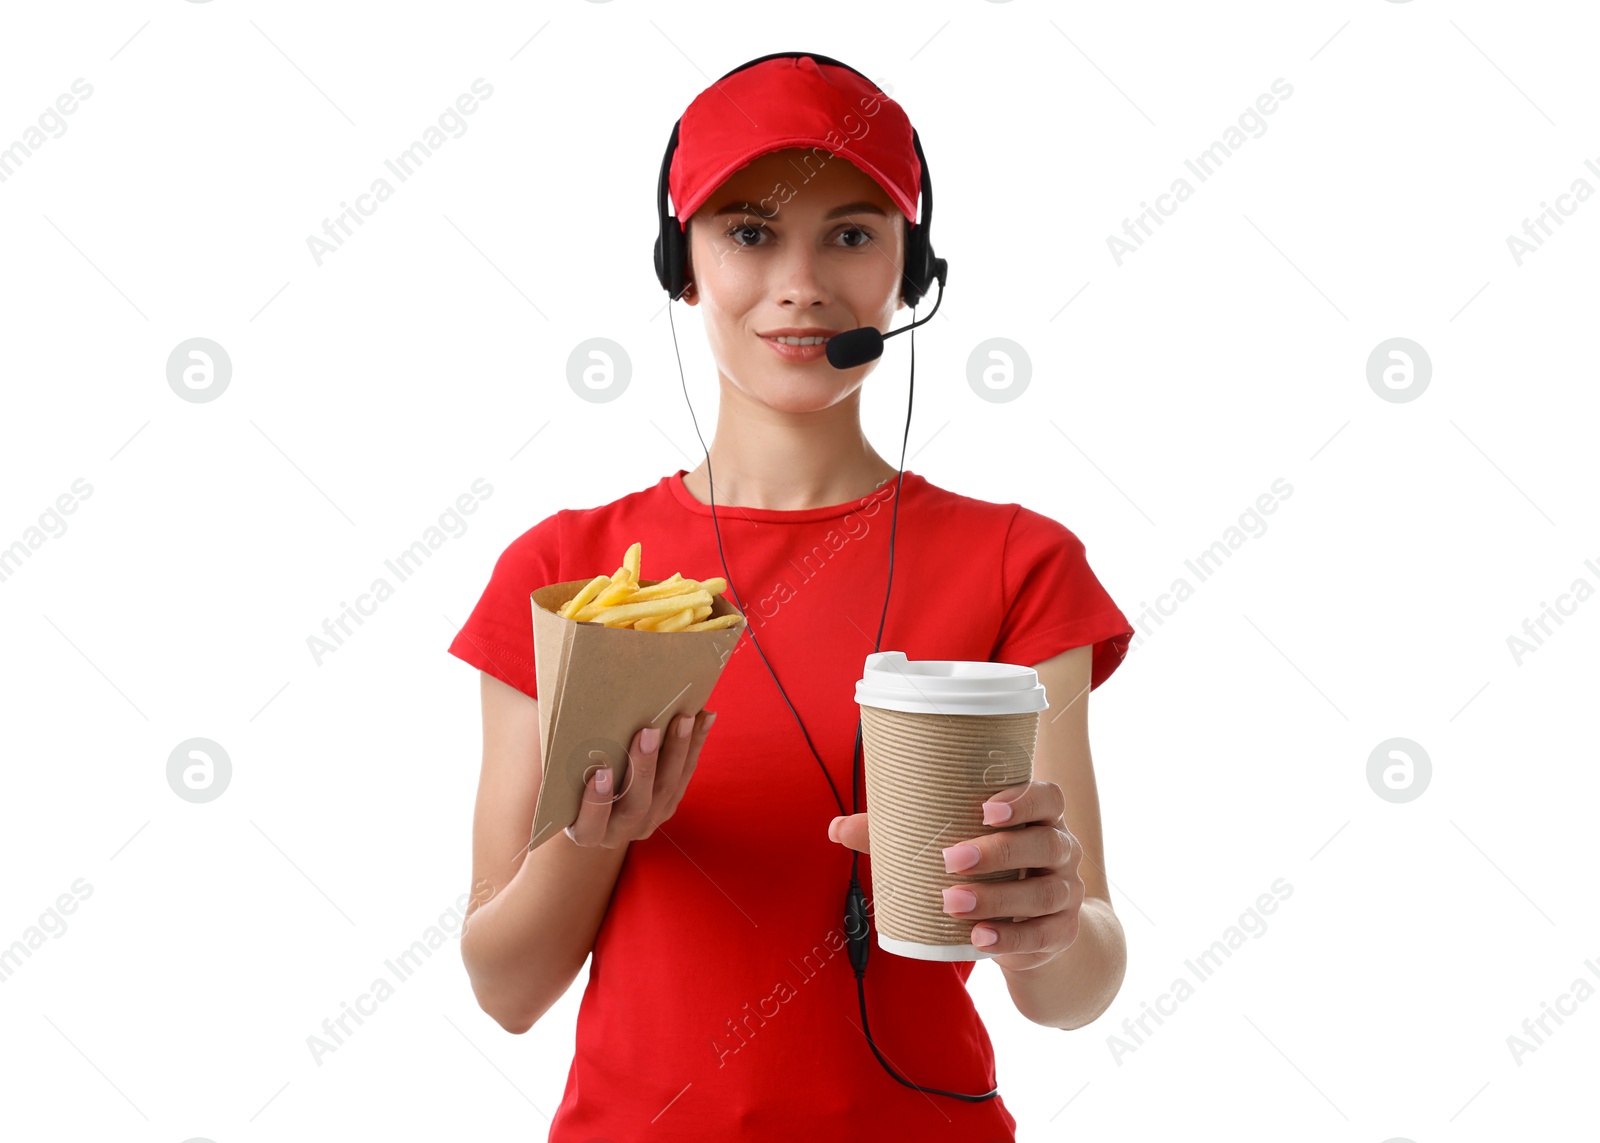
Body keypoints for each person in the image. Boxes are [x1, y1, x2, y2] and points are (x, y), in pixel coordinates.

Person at [448, 53, 1135, 1143]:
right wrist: (597, 836)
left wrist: (1050, 929)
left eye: (853, 235)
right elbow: (506, 988)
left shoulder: (1020, 564)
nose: (802, 284)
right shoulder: (565, 575)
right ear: (682, 264)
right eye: (750, 234)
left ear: (913, 271)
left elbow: (1075, 988)